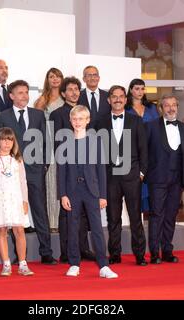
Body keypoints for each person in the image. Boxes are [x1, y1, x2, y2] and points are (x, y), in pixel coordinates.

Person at [0, 80, 57, 265]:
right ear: (11, 96)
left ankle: (46, 252)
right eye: (20, 92)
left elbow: (46, 141)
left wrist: (44, 165)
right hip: (12, 173)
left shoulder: (38, 115)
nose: (24, 96)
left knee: (40, 212)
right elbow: (0, 143)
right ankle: (19, 256)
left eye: (26, 92)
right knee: (16, 214)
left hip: (36, 171)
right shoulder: (3, 116)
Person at [58, 105, 118, 278]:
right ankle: (74, 264)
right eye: (74, 119)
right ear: (70, 121)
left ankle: (103, 266)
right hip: (72, 192)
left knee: (97, 228)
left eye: (81, 119)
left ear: (87, 120)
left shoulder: (96, 141)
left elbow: (101, 170)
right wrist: (63, 194)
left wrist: (103, 195)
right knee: (73, 228)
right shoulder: (64, 143)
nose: (77, 122)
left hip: (92, 191)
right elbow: (61, 171)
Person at [97, 85, 148, 266]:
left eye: (121, 96)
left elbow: (144, 149)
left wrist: (141, 173)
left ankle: (140, 255)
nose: (118, 99)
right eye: (114, 96)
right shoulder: (100, 121)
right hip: (110, 177)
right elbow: (97, 152)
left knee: (135, 217)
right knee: (113, 218)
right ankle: (115, 254)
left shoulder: (136, 121)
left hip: (132, 176)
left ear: (126, 100)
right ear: (109, 100)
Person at [49, 76, 95, 263]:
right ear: (63, 93)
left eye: (77, 89)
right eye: (70, 89)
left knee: (83, 212)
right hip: (67, 167)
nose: (74, 92)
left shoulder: (85, 112)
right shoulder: (57, 114)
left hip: (86, 166)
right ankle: (67, 251)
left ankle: (83, 248)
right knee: (67, 212)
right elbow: (57, 143)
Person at [146, 94, 184, 264]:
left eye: (174, 105)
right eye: (167, 105)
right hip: (157, 178)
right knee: (157, 215)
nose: (171, 108)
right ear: (161, 109)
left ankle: (167, 251)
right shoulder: (150, 127)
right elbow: (145, 153)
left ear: (177, 107)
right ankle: (155, 252)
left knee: (171, 215)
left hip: (177, 179)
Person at [0, 127, 34, 276]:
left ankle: (22, 264)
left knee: (19, 230)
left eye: (10, 140)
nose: (7, 143)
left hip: (16, 199)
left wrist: (25, 201)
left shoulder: (17, 160)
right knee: (1, 230)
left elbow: (23, 182)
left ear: (14, 142)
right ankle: (6, 264)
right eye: (4, 139)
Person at [34, 68, 65, 232]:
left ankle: (63, 221)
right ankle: (52, 223)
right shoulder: (41, 100)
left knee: (64, 182)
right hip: (47, 144)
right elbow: (36, 125)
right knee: (51, 183)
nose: (55, 79)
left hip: (65, 143)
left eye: (58, 76)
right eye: (51, 76)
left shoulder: (67, 97)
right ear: (47, 79)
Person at [125, 78, 160, 217]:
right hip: (132, 152)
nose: (140, 91)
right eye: (137, 88)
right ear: (131, 90)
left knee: (150, 186)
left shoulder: (151, 107)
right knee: (135, 187)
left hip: (151, 151)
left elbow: (158, 128)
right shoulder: (125, 108)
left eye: (142, 88)